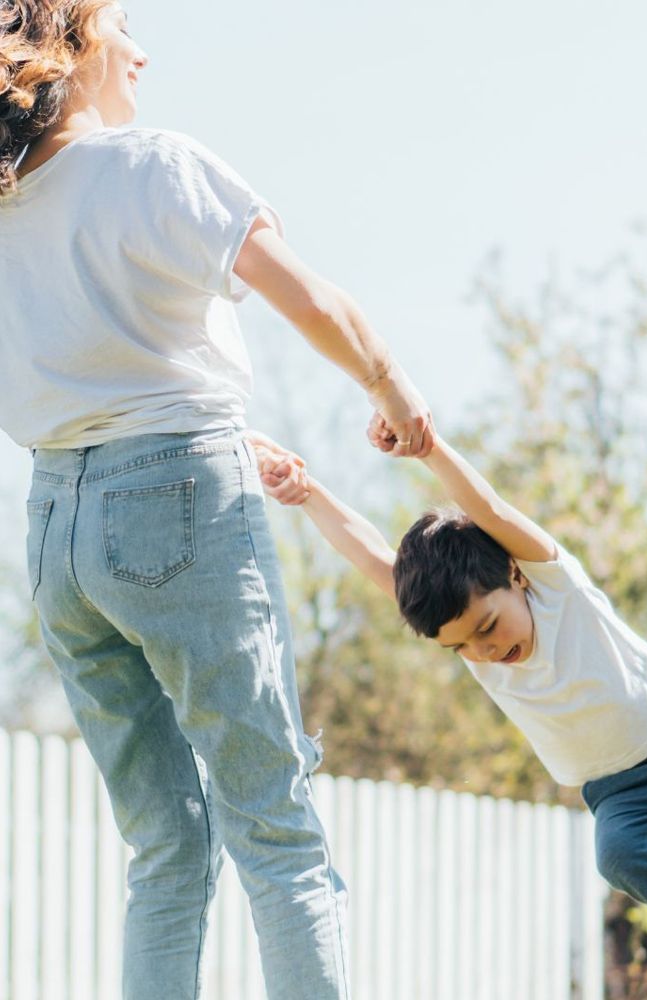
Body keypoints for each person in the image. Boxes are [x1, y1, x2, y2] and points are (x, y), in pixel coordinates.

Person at [0, 3, 436, 998]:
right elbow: (311, 300)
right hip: (179, 499)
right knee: (277, 831)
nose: (143, 51)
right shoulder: (153, 164)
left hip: (56, 532)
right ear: (74, 45)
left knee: (165, 846)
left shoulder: (7, 208)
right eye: (122, 26)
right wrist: (392, 388)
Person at [252, 420, 647, 929]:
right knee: (619, 859)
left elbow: (489, 509)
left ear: (515, 574)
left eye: (487, 627)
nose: (483, 650)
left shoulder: (555, 586)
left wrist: (427, 446)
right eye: (460, 645)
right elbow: (372, 556)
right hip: (621, 791)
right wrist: (306, 493)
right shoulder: (470, 639)